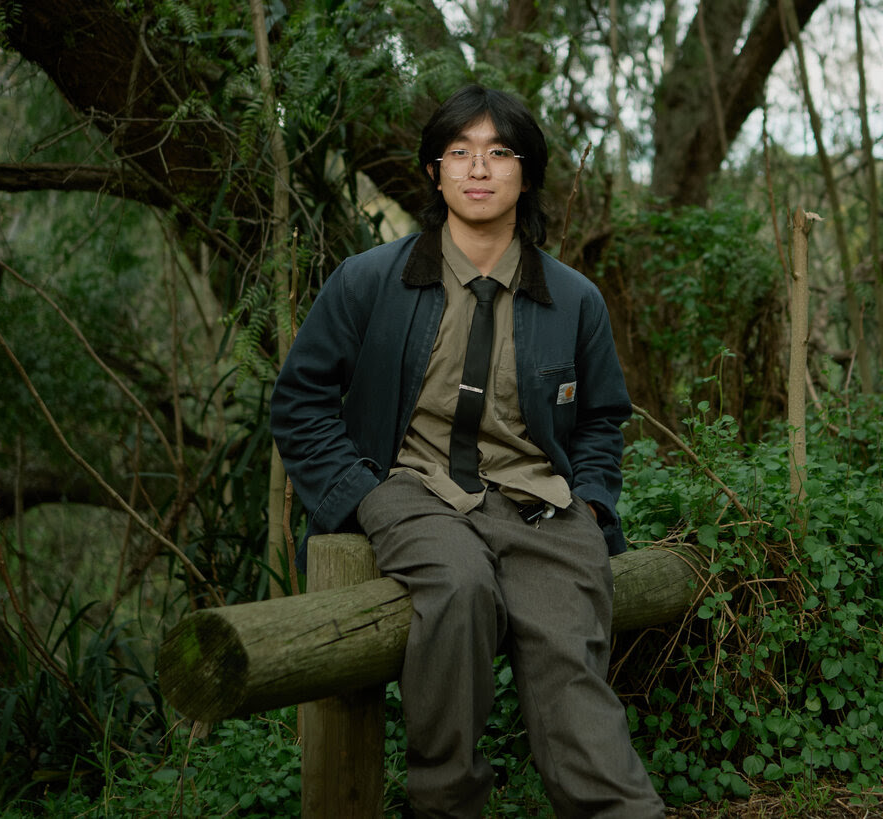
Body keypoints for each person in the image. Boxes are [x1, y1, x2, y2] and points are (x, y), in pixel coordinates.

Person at [271, 84, 665, 818]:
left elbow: (605, 418)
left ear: (526, 172)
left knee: (567, 652)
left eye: (498, 152)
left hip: (539, 502)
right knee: (457, 587)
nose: (478, 168)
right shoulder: (370, 280)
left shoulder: (574, 298)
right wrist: (356, 493)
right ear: (434, 172)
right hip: (411, 488)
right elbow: (299, 400)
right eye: (459, 152)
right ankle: (446, 803)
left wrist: (592, 499)